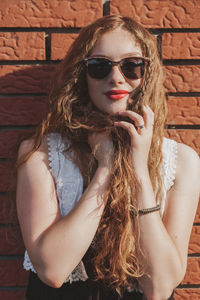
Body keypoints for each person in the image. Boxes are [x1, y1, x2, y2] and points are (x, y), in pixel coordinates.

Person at [16, 15, 200, 300]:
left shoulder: (181, 161)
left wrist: (138, 169)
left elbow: (160, 288)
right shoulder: (42, 154)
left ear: (147, 74)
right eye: (99, 67)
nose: (116, 77)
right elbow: (53, 269)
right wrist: (105, 168)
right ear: (82, 76)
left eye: (132, 66)